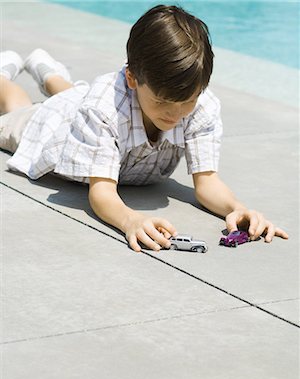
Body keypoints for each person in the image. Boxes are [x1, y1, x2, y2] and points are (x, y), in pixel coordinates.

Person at [0, 4, 288, 252]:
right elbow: (101, 192)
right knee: (17, 110)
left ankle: (48, 72)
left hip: (83, 103)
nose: (175, 114)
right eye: (163, 101)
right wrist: (130, 220)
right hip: (53, 128)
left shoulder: (201, 105)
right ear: (132, 77)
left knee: (74, 95)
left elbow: (208, 182)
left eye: (187, 101)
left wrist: (236, 208)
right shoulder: (102, 109)